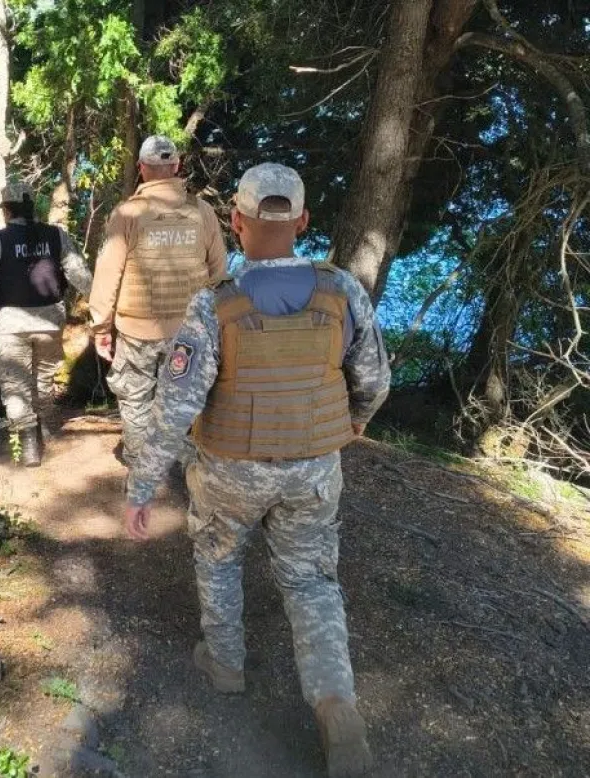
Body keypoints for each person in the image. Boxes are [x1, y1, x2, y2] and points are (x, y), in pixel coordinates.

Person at [124, 163, 391, 777]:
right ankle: (335, 703)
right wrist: (351, 424)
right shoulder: (343, 291)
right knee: (311, 580)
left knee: (218, 557)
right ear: (302, 221)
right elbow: (374, 382)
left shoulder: (215, 305)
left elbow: (177, 407)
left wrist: (141, 485)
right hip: (314, 469)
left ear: (236, 222)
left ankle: (224, 664)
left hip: (230, 470)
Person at [88, 135, 227, 465]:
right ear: (176, 166)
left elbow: (108, 274)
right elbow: (219, 273)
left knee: (135, 400)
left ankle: (142, 467)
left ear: (142, 169)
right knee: (181, 401)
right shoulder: (202, 211)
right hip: (189, 333)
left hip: (137, 331)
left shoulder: (128, 214)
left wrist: (101, 327)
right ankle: (183, 467)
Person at [0, 182, 92, 467]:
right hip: (51, 321)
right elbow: (81, 274)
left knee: (15, 383)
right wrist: (100, 303)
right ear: (32, 207)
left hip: (11, 322)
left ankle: (30, 443)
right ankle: (46, 430)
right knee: (43, 378)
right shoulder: (57, 236)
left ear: (6, 210)